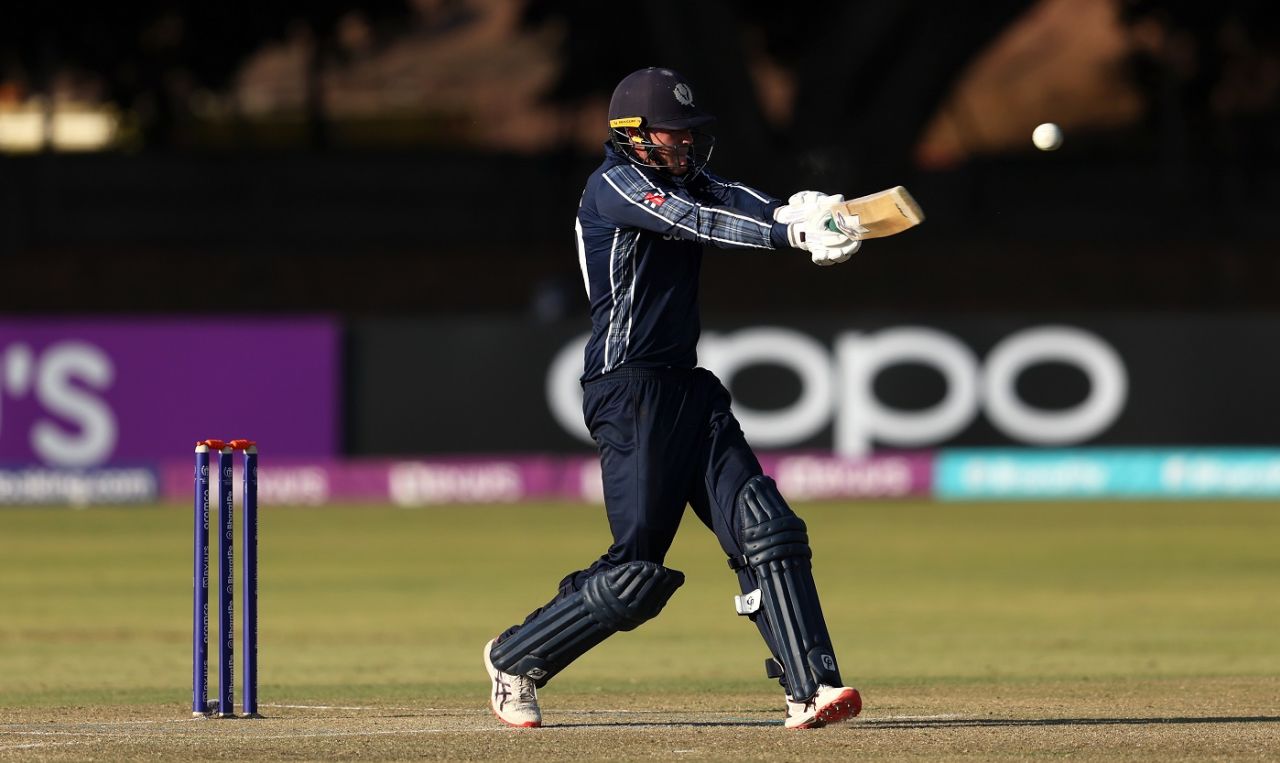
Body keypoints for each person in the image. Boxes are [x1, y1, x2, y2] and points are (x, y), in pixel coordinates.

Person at [483, 66, 863, 730]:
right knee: (635, 577)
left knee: (768, 529)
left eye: (691, 134)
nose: (685, 144)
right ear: (632, 134)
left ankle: (812, 687)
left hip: (686, 384)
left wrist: (789, 209)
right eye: (672, 133)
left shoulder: (683, 175)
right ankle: (515, 657)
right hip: (628, 388)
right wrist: (789, 235)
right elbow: (698, 220)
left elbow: (729, 197)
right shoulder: (616, 186)